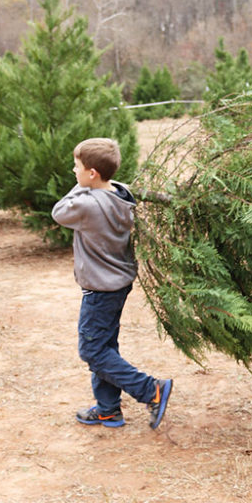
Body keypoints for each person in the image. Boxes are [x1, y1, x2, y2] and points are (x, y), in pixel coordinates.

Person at [52, 137, 173, 429]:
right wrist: (93, 181)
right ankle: (108, 409)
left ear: (92, 173)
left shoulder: (88, 204)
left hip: (100, 288)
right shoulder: (121, 192)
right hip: (116, 283)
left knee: (92, 350)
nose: (73, 171)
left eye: (77, 167)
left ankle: (150, 389)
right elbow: (103, 186)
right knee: (104, 345)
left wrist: (82, 184)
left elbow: (58, 212)